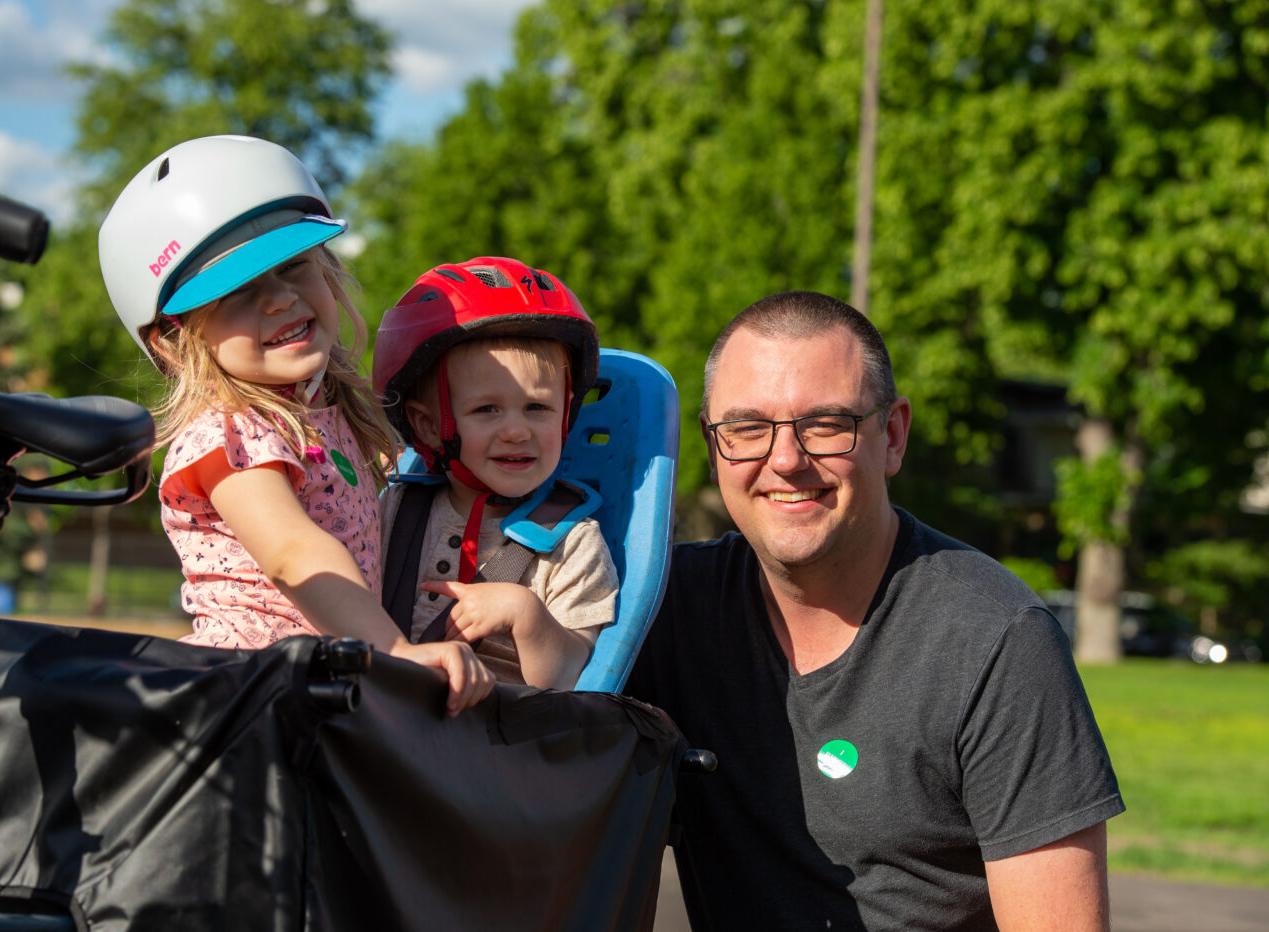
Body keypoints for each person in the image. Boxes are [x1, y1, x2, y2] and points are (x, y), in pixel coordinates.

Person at [627, 290, 1124, 930]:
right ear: (711, 443)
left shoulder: (994, 641)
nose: (785, 460)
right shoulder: (662, 613)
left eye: (826, 424)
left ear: (892, 435)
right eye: (747, 428)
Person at [97, 135, 492, 716]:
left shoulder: (328, 417)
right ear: (176, 341)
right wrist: (393, 651)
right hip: (249, 693)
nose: (280, 299)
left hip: (315, 683)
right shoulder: (228, 434)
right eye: (237, 293)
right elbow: (292, 551)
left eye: (294, 266)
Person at [372, 257, 619, 689]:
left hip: (499, 742)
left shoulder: (573, 544)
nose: (517, 431)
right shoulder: (393, 510)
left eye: (538, 408)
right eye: (487, 409)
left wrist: (526, 614)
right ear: (431, 426)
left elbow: (566, 683)